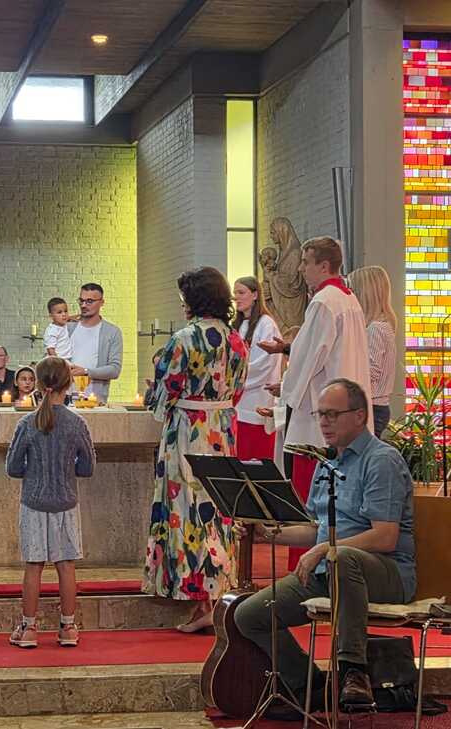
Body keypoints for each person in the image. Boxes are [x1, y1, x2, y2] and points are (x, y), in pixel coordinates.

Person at [234, 379, 414, 716]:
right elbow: (314, 528)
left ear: (360, 415)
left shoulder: (381, 460)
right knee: (249, 615)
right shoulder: (326, 462)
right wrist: (267, 534)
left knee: (340, 558)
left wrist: (324, 549)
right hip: (329, 571)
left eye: (333, 414)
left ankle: (353, 671)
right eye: (321, 415)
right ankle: (312, 687)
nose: (325, 423)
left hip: (384, 572)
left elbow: (385, 536)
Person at [142, 267, 248, 633]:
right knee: (218, 511)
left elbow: (164, 393)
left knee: (187, 511)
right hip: (222, 431)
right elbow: (238, 390)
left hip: (189, 432)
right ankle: (214, 595)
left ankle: (203, 600)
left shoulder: (185, 338)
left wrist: (155, 393)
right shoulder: (236, 340)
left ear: (195, 299)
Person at [258, 236, 372, 570]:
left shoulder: (323, 302)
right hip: (347, 409)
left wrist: (285, 393)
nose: (301, 268)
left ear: (324, 266)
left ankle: (306, 570)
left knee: (311, 499)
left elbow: (307, 358)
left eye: (306, 262)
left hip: (319, 420)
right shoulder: (348, 299)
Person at [6, 357, 95, 649]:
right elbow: (87, 468)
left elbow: (13, 468)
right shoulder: (76, 422)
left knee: (34, 565)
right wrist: (66, 469)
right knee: (66, 565)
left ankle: (29, 629)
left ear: (38, 383)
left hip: (33, 501)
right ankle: (68, 628)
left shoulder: (27, 422)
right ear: (68, 384)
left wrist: (36, 473)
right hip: (65, 502)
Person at [232, 277, 282, 460]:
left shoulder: (266, 324)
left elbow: (264, 364)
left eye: (241, 292)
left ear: (255, 295)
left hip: (256, 400)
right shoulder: (236, 326)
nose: (236, 297)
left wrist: (234, 380)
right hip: (237, 403)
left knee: (255, 460)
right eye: (235, 293)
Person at [347, 266, 398, 437]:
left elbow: (370, 373)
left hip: (372, 407)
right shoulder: (383, 326)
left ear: (365, 294)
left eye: (353, 290)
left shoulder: (375, 328)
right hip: (374, 407)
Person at [67, 283, 123, 402]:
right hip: (65, 396)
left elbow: (115, 369)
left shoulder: (112, 332)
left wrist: (86, 372)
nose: (83, 305)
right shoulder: (68, 328)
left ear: (102, 302)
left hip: (95, 398)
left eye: (89, 301)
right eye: (81, 301)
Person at [259, 217, 308, 333]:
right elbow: (283, 274)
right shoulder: (284, 252)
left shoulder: (295, 253)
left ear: (282, 232)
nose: (271, 236)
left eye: (273, 233)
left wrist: (271, 277)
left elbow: (292, 282)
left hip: (292, 305)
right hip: (282, 300)